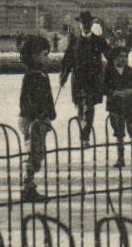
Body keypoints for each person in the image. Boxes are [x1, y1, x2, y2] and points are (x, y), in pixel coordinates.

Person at [59, 10, 109, 145]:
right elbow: (67, 60)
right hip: (78, 80)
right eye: (83, 23)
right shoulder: (74, 41)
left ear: (91, 24)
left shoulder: (99, 41)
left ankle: (85, 136)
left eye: (88, 23)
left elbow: (110, 56)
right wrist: (63, 76)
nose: (85, 26)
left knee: (89, 107)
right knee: (80, 108)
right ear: (79, 25)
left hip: (93, 80)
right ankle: (84, 133)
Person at [18, 35, 56, 201]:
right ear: (34, 56)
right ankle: (28, 187)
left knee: (37, 152)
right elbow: (28, 101)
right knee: (33, 152)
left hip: (38, 119)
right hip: (33, 120)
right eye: (44, 55)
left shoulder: (40, 74)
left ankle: (30, 185)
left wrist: (49, 114)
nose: (47, 58)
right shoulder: (32, 76)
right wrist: (40, 116)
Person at [104, 51, 132, 168]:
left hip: (130, 106)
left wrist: (131, 90)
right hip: (115, 107)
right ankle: (121, 159)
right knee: (119, 133)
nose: (123, 59)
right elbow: (102, 87)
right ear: (114, 59)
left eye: (125, 57)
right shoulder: (108, 72)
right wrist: (115, 92)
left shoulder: (131, 71)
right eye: (120, 56)